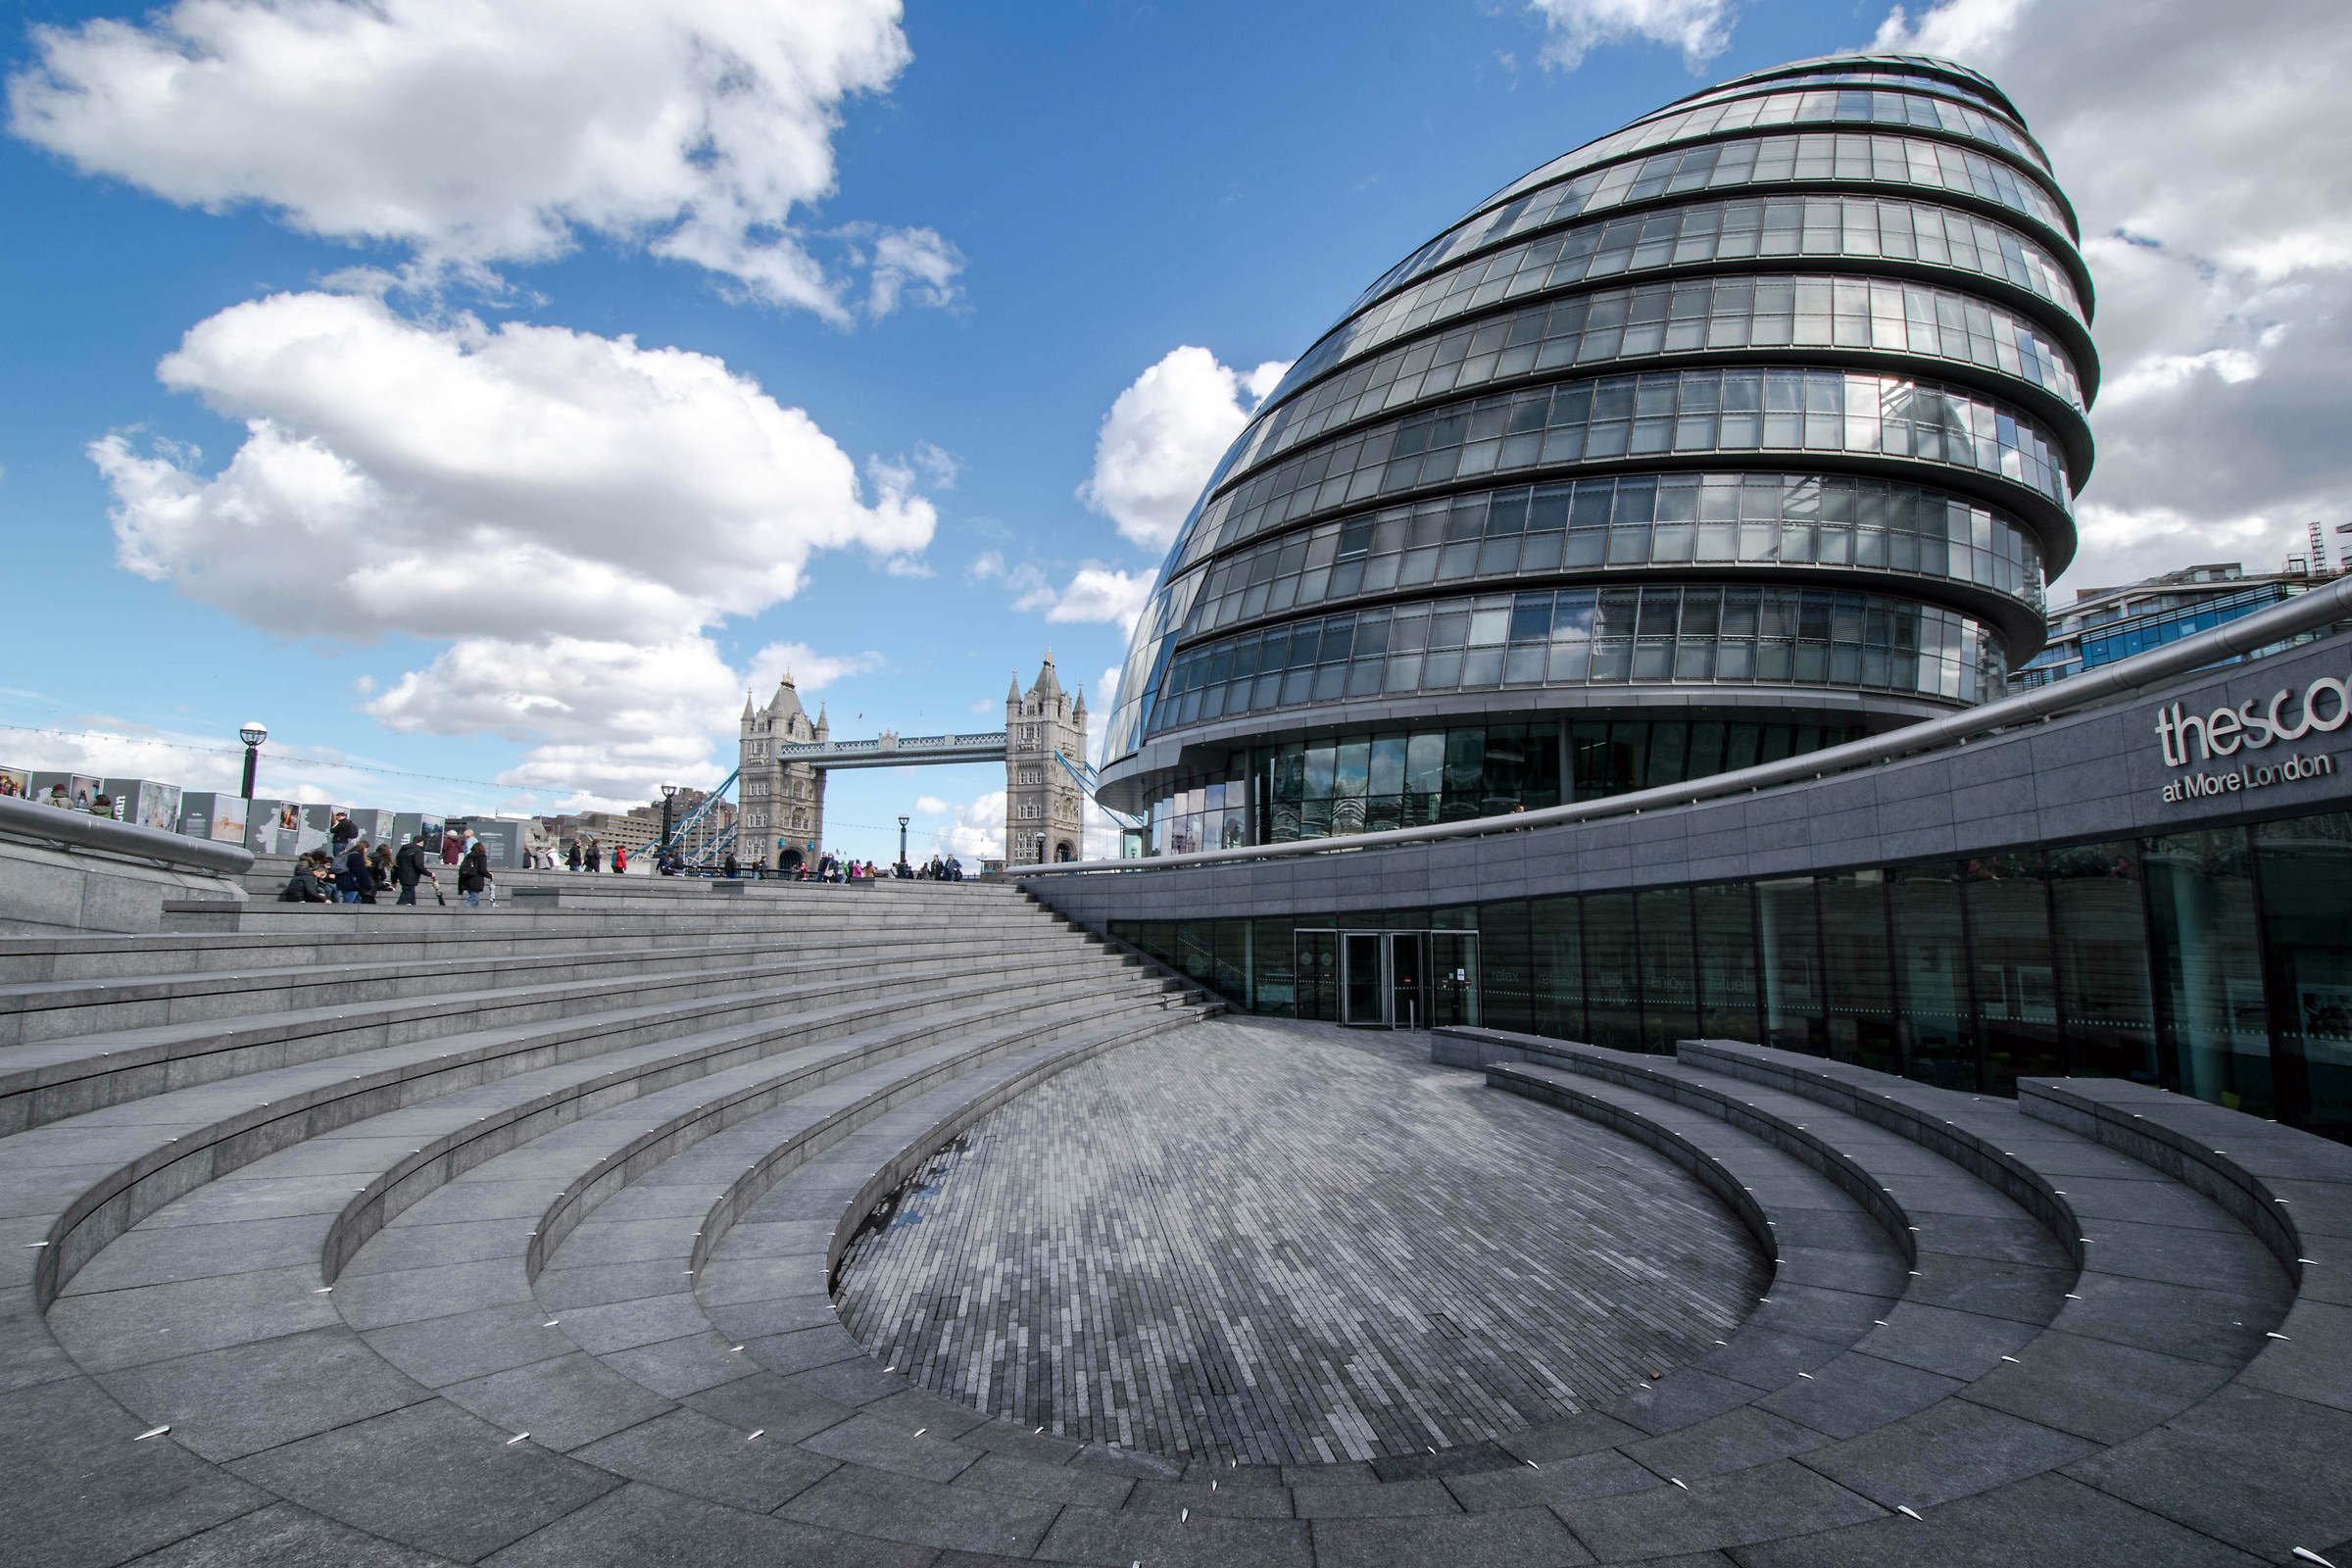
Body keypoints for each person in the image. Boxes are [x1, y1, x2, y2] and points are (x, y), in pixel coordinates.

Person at [393, 835, 431, 906]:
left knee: (410, 895)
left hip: (402, 876)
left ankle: (414, 909)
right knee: (405, 896)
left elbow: (396, 866)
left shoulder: (403, 850)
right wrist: (429, 874)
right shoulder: (418, 850)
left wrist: (394, 880)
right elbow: (419, 865)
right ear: (421, 842)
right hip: (411, 877)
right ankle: (395, 910)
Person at [458, 839, 492, 907]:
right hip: (475, 881)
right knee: (473, 899)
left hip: (466, 880)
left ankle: (474, 915)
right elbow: (482, 870)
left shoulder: (468, 857)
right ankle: (462, 911)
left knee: (476, 900)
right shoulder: (482, 857)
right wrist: (490, 876)